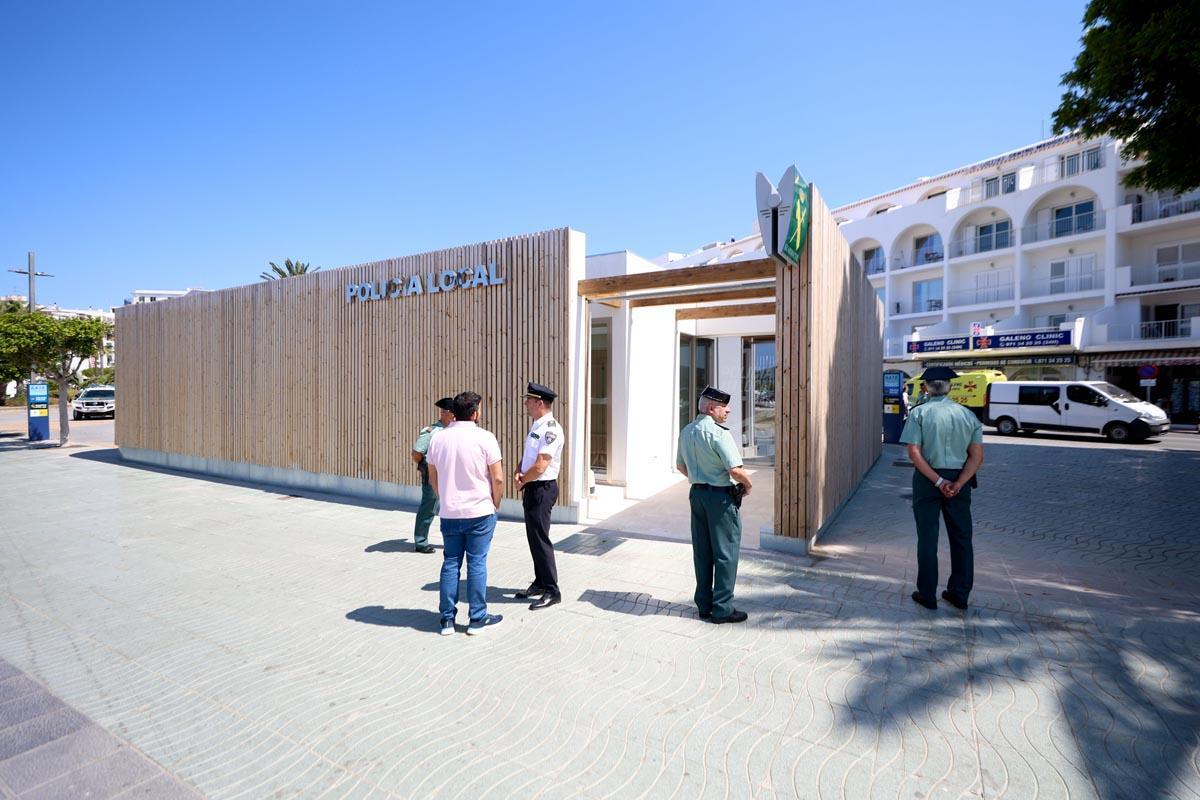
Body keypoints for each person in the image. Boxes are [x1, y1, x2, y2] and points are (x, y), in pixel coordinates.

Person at [899, 366, 985, 611]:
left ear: (926, 388)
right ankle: (959, 594)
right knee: (962, 538)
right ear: (950, 387)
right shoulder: (968, 415)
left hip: (927, 480)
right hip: (960, 481)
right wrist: (958, 483)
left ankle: (927, 594)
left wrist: (938, 481)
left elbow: (914, 453)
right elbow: (977, 457)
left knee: (928, 537)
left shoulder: (919, 413)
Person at [425, 391, 506, 635]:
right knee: (477, 563)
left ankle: (447, 620)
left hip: (450, 512)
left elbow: (432, 476)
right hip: (480, 510)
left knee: (450, 562)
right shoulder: (485, 437)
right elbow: (498, 478)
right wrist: (495, 502)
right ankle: (477, 619)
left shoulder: (438, 438)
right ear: (475, 413)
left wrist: (444, 498)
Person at [676, 386, 753, 624]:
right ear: (711, 408)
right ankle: (722, 609)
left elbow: (680, 466)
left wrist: (700, 478)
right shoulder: (719, 434)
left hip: (697, 495)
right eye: (724, 407)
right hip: (720, 499)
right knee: (725, 553)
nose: (728, 410)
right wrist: (748, 485)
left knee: (702, 551)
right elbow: (735, 471)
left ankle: (704, 605)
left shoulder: (687, 431)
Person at [514, 382, 565, 610]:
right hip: (533, 487)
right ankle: (540, 582)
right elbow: (529, 457)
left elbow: (542, 464)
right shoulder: (538, 425)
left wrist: (523, 479)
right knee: (534, 538)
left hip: (542, 488)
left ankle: (552, 590)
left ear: (540, 402)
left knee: (541, 540)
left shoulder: (551, 429)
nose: (525, 403)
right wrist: (519, 471)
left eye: (529, 400)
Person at [410, 397, 455, 554]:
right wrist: (425, 466)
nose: (455, 417)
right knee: (429, 507)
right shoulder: (432, 431)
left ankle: (453, 540)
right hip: (433, 475)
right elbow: (417, 452)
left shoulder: (454, 430)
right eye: (453, 413)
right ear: (446, 413)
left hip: (449, 475)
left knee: (452, 507)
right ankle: (421, 541)